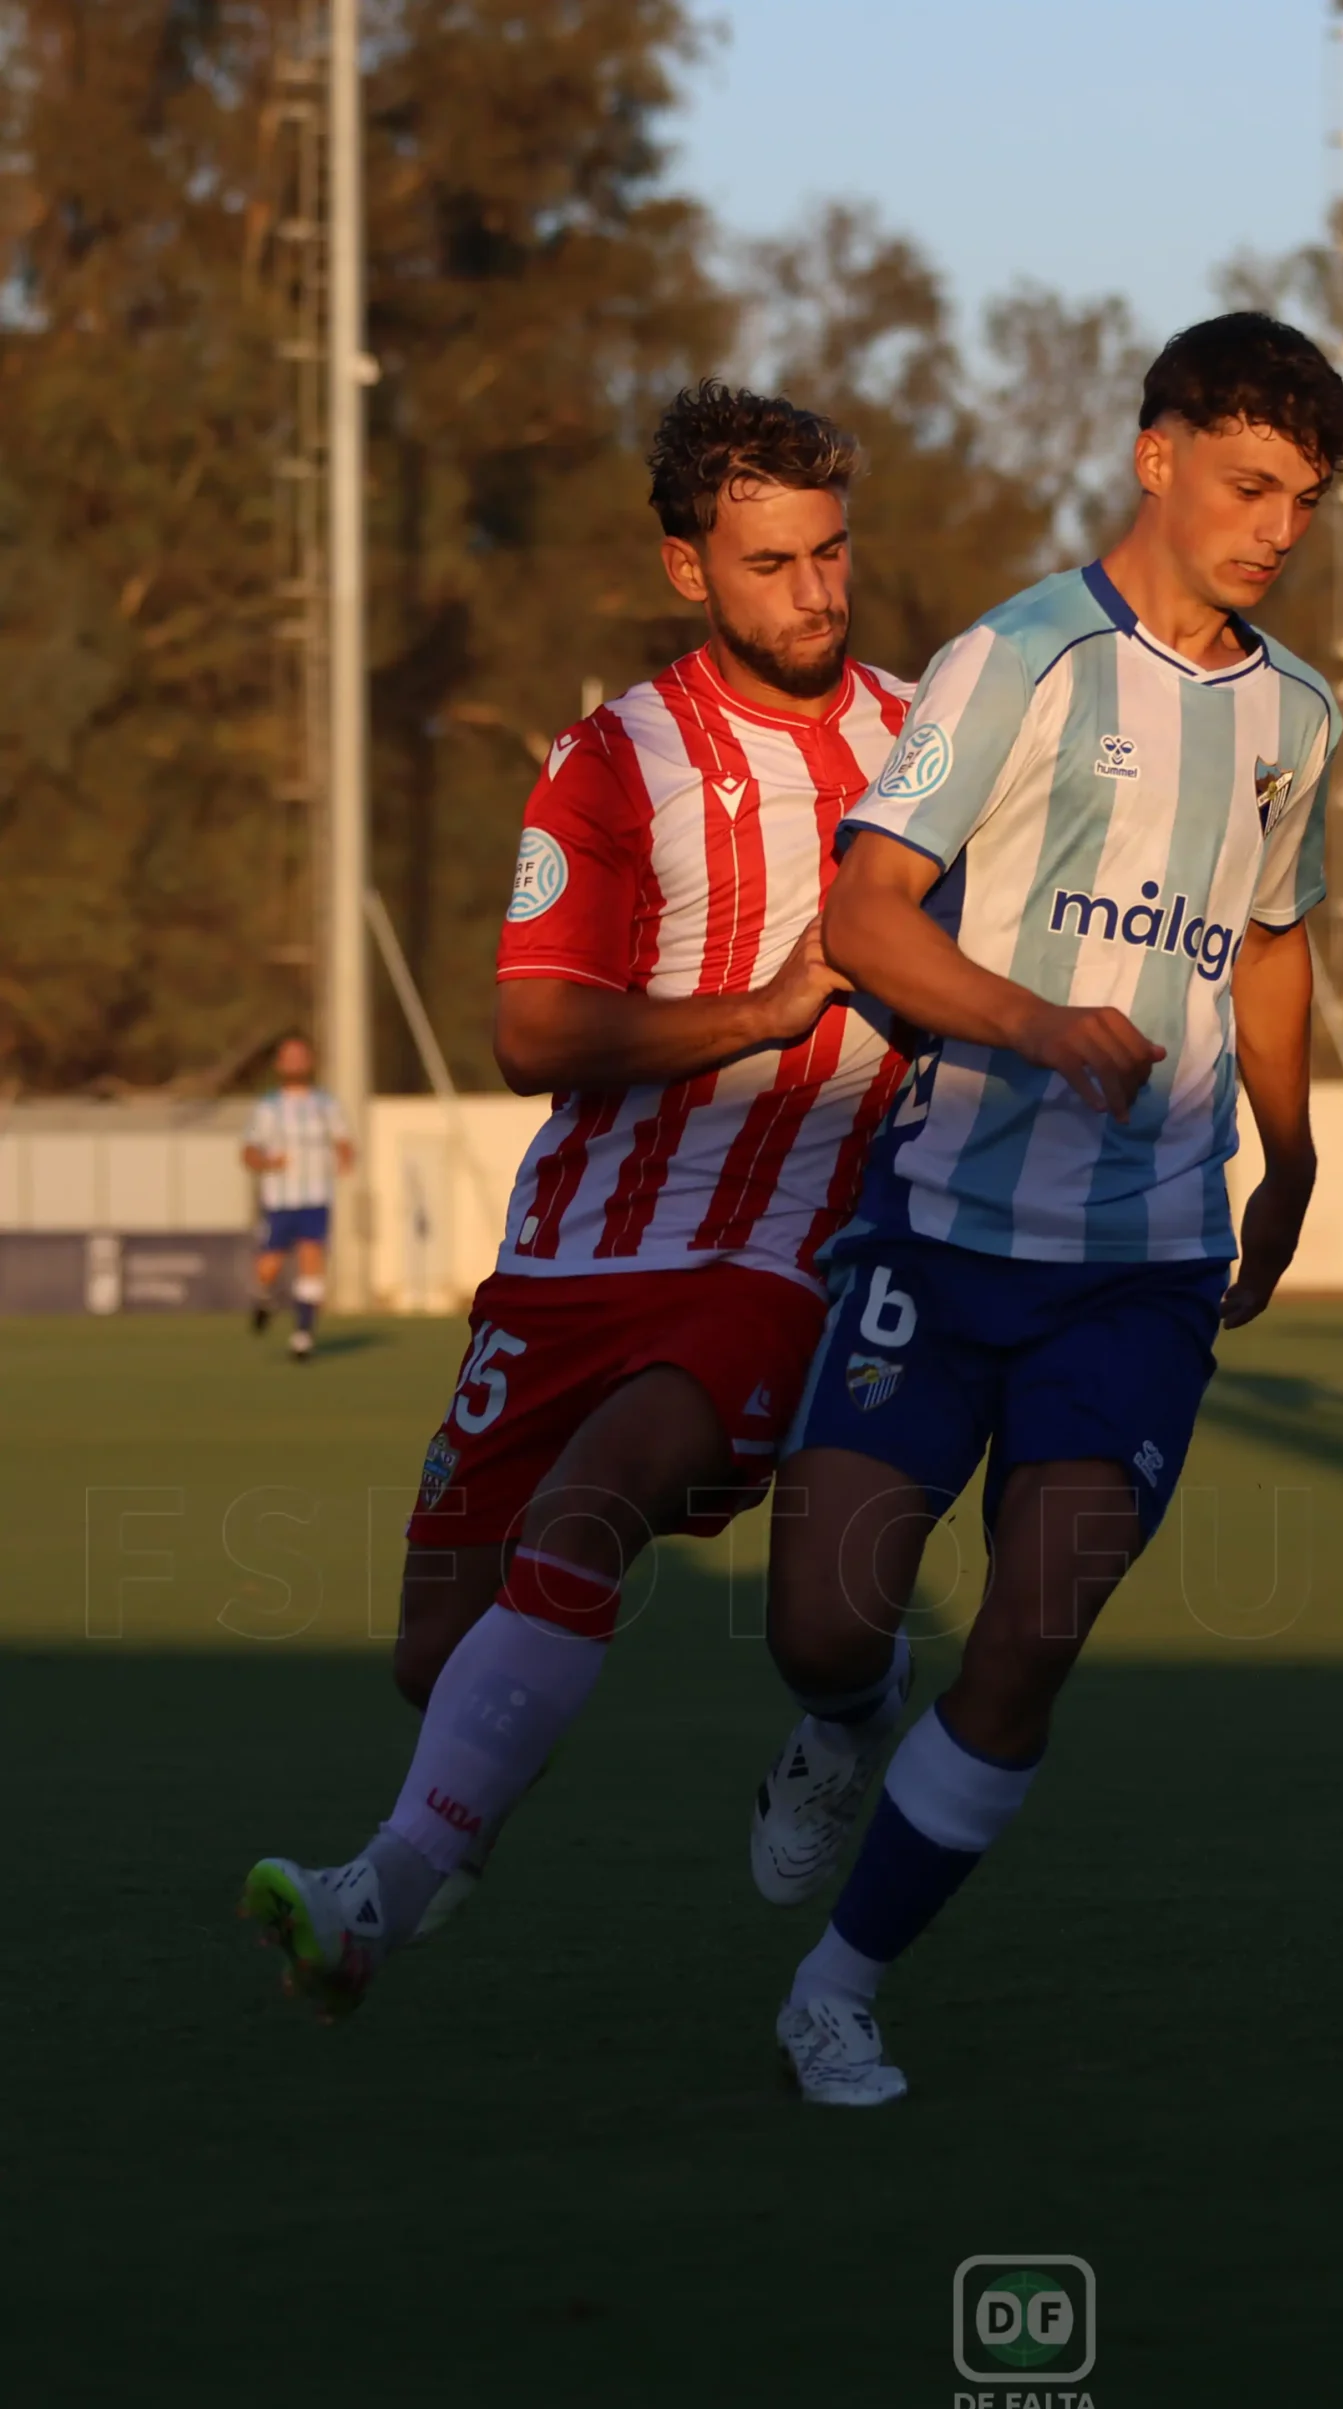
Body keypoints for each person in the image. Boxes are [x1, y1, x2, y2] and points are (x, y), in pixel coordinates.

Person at [241, 380, 915, 2011]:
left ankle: (380, 1894)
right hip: (572, 1251)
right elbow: (532, 1033)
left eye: (831, 553)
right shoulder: (614, 759)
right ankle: (851, 1693)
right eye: (772, 564)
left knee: (594, 1503)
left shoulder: (930, 741)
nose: (816, 593)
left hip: (778, 1243)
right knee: (436, 1657)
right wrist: (759, 1011)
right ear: (689, 569)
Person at [746, 311, 1343, 2106]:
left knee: (1028, 1640)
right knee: (822, 1627)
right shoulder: (1010, 659)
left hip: (1143, 1267)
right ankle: (843, 1718)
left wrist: (1293, 1151)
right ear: (1156, 456)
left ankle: (838, 1989)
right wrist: (1033, 1023)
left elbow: (1268, 940)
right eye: (1249, 485)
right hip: (940, 1228)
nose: (1275, 529)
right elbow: (865, 916)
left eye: (1304, 503)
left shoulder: (1298, 717)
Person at [242, 1035, 354, 1359]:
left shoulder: (326, 1104)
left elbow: (343, 1140)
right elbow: (248, 1151)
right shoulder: (268, 1107)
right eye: (289, 1057)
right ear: (280, 1064)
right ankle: (264, 1298)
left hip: (316, 1196)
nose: (295, 1063)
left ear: (310, 1062)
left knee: (311, 1258)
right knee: (269, 1267)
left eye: (300, 1057)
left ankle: (303, 1335)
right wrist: (266, 1162)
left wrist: (344, 1157)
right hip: (280, 1199)